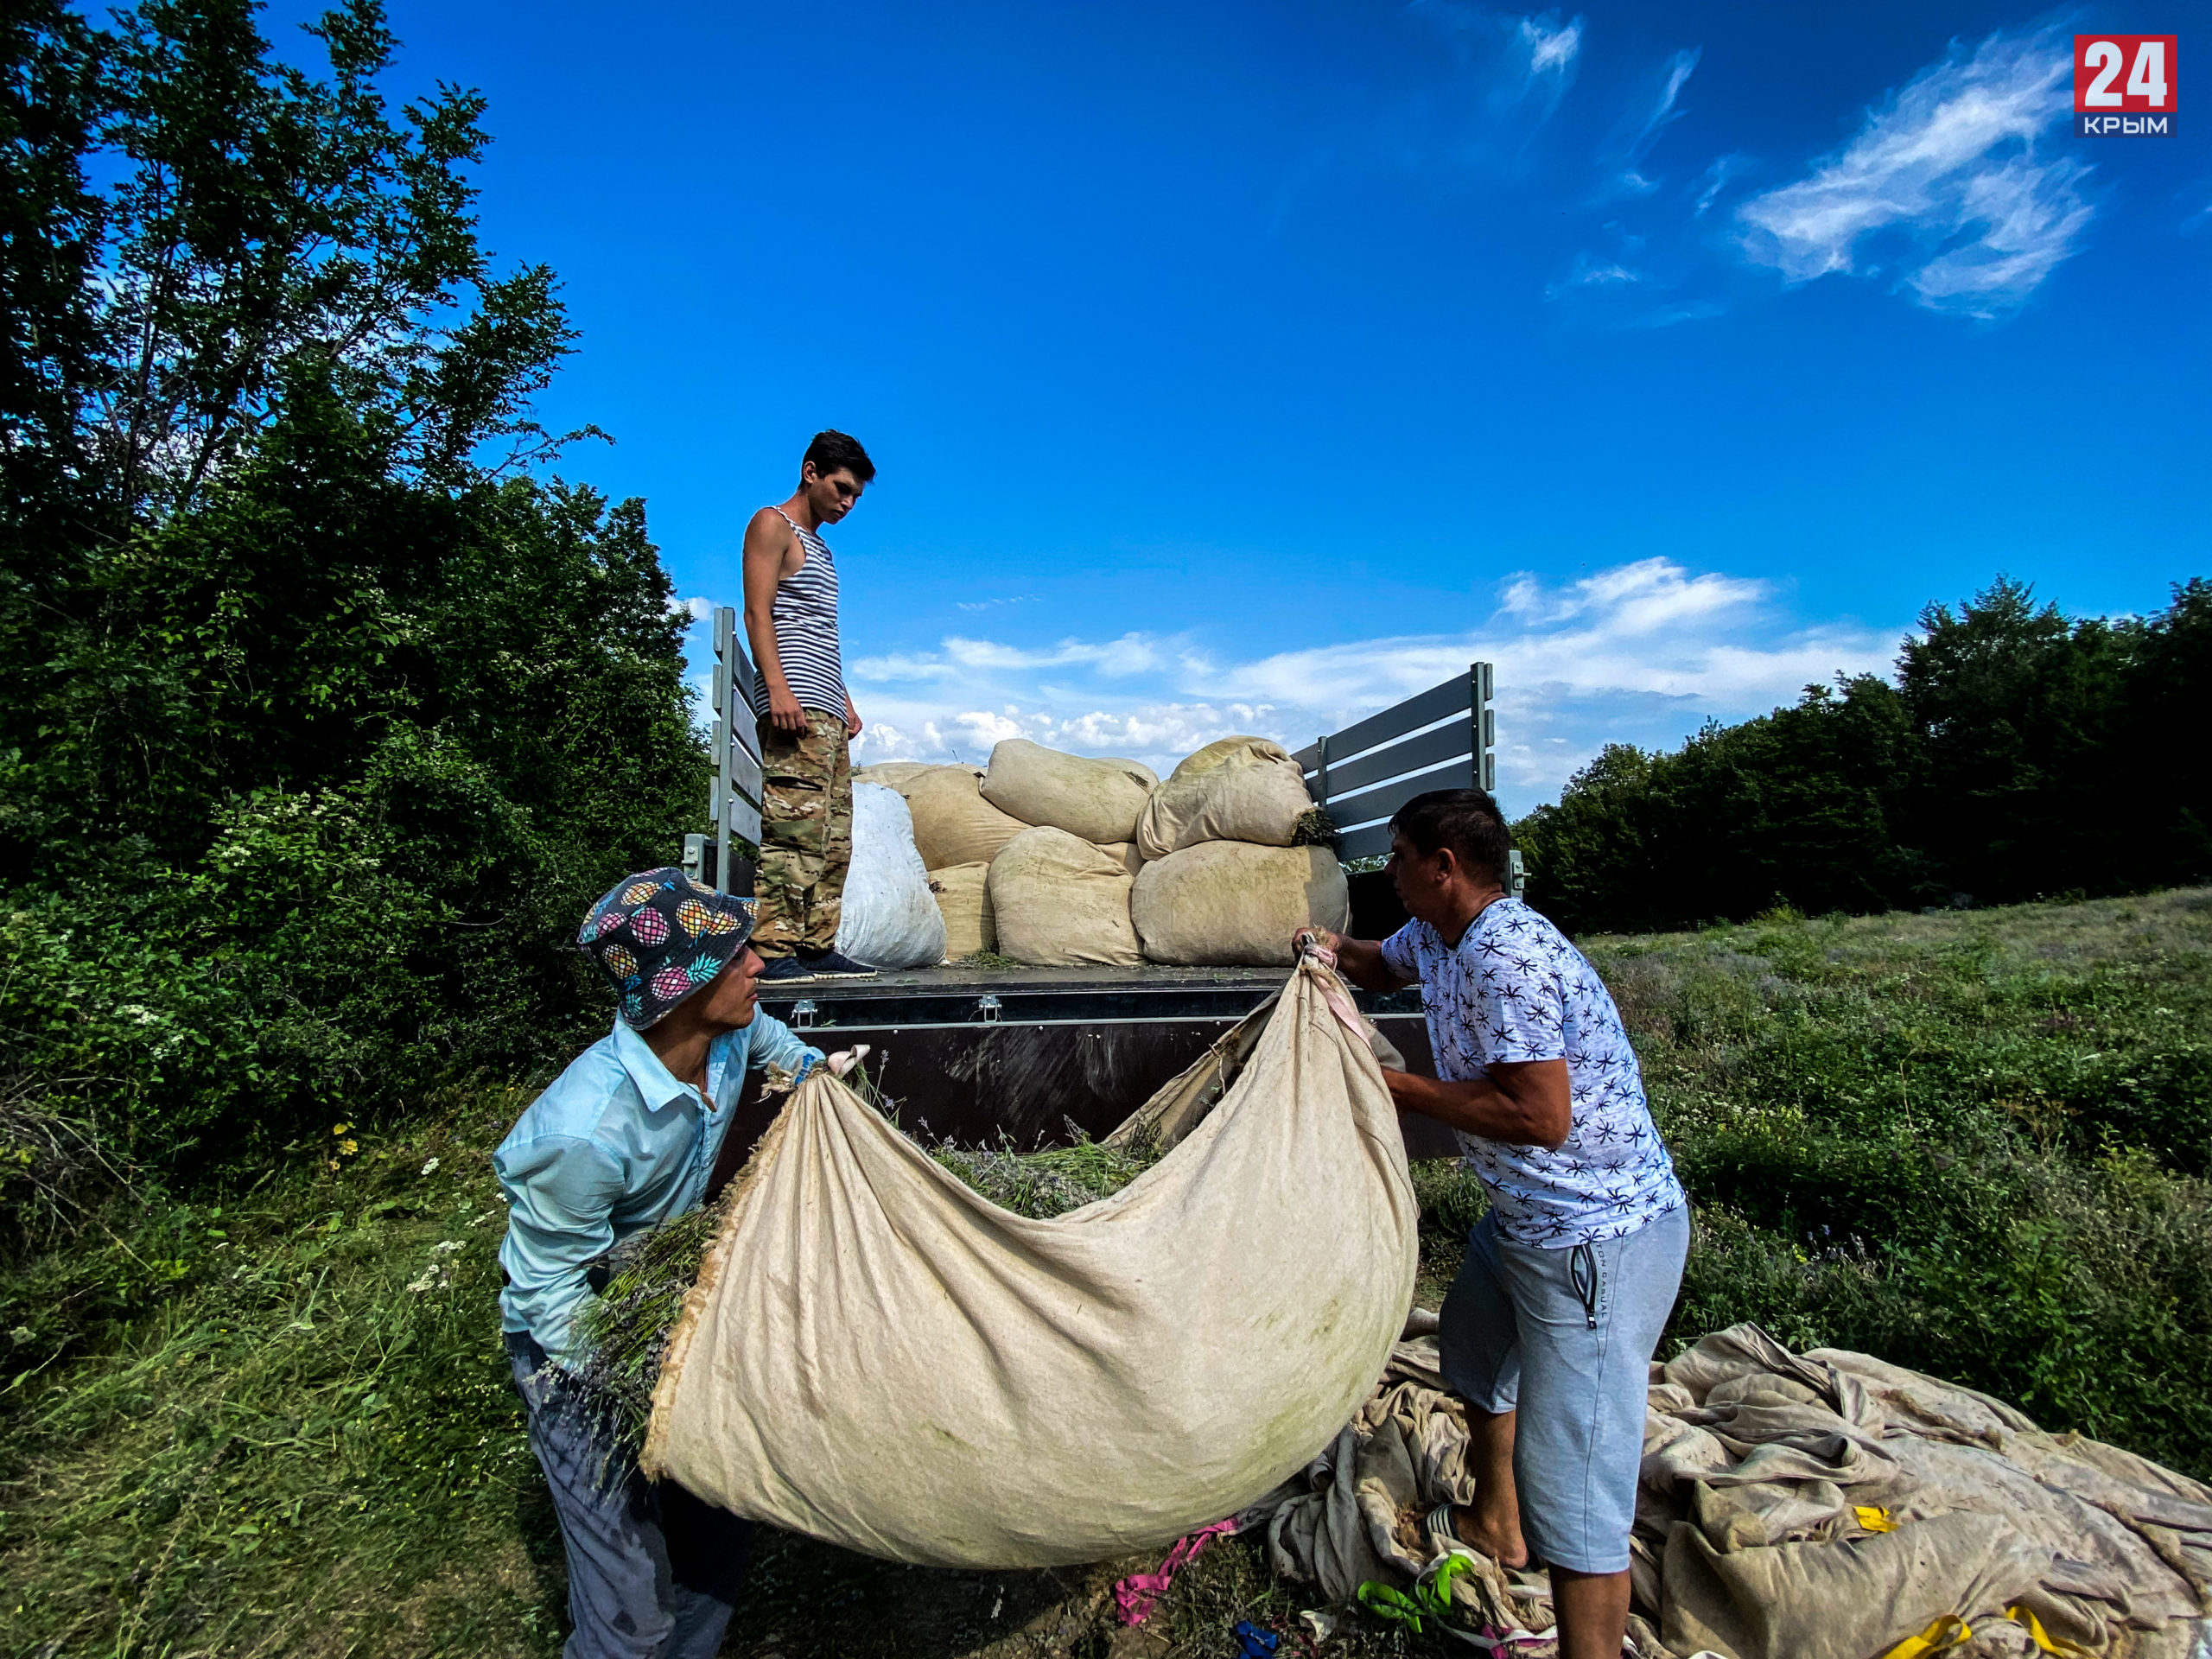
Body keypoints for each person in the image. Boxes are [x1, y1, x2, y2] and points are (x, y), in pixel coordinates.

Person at [1300, 789, 1687, 1659]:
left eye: (1398, 858)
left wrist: (1387, 1082)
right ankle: (1496, 1523)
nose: (1387, 872)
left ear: (1444, 868)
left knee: (1578, 1479)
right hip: (1522, 1223)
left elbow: (1540, 1116)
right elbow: (1378, 963)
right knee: (1474, 1353)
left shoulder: (1505, 959)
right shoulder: (1439, 935)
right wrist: (1326, 950)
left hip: (1593, 1238)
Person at [496, 868, 843, 1659]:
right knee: (630, 1615)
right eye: (734, 957)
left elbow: (778, 1047)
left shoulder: (723, 1039)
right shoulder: (583, 1132)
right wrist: (657, 1377)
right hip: (580, 1353)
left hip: (663, 1299)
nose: (759, 965)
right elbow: (550, 1293)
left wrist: (823, 1084)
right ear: (679, 988)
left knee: (716, 1544)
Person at [742, 429, 879, 982]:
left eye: (855, 497)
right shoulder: (771, 524)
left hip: (824, 704)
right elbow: (759, 613)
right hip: (792, 701)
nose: (847, 504)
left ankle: (816, 946)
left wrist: (843, 698)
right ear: (810, 471)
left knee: (833, 835)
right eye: (842, 489)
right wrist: (776, 688)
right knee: (794, 830)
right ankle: (772, 950)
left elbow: (819, 628)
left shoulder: (821, 545)